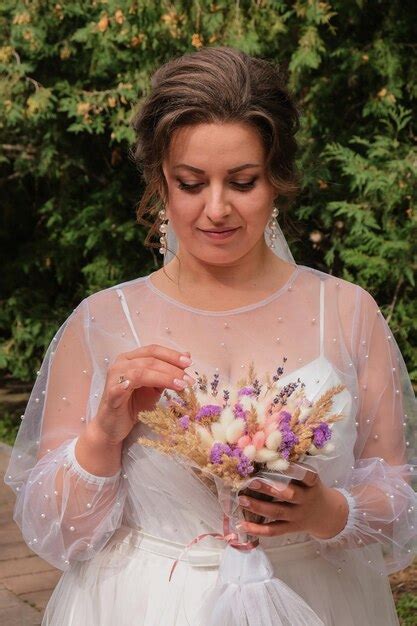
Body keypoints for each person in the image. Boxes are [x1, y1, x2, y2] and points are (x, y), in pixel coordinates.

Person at [4, 46, 417, 626]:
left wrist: (327, 510)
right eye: (191, 183)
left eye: (242, 182)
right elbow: (58, 533)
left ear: (277, 180)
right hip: (148, 604)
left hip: (321, 599)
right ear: (160, 183)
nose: (216, 208)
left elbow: (400, 500)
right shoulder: (101, 322)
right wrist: (103, 432)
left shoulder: (347, 311)